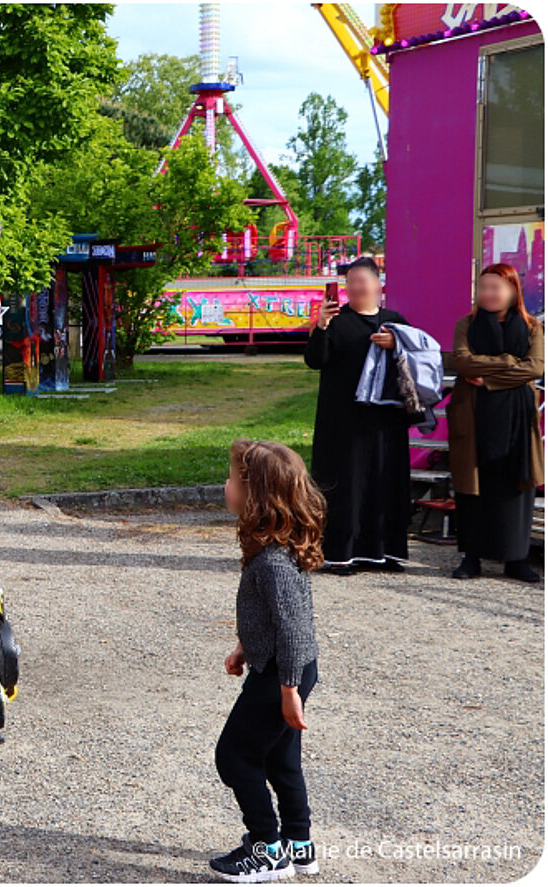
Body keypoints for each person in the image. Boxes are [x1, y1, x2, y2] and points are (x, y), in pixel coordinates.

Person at [210, 440, 323, 883]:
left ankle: (265, 848)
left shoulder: (273, 561)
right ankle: (299, 846)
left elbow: (294, 631)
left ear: (257, 496)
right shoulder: (274, 548)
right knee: (281, 761)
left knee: (234, 757)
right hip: (281, 665)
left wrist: (289, 691)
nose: (226, 485)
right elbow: (278, 620)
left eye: (235, 480)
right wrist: (245, 648)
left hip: (283, 673)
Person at [304, 256, 411, 574]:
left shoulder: (396, 321)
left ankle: (385, 552)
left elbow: (418, 360)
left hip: (384, 422)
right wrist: (320, 326)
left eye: (362, 281)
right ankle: (341, 553)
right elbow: (315, 360)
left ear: (379, 285)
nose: (356, 287)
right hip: (343, 420)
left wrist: (398, 343)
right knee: (346, 485)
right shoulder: (336, 320)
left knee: (384, 481)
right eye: (351, 282)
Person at [448, 263, 544, 582]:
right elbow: (461, 361)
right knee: (474, 484)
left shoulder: (532, 327)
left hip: (517, 416)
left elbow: (534, 368)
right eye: (483, 287)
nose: (488, 294)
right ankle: (471, 556)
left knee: (514, 481)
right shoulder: (467, 324)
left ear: (513, 291)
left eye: (495, 287)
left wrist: (490, 379)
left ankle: (515, 558)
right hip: (474, 414)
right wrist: (507, 362)